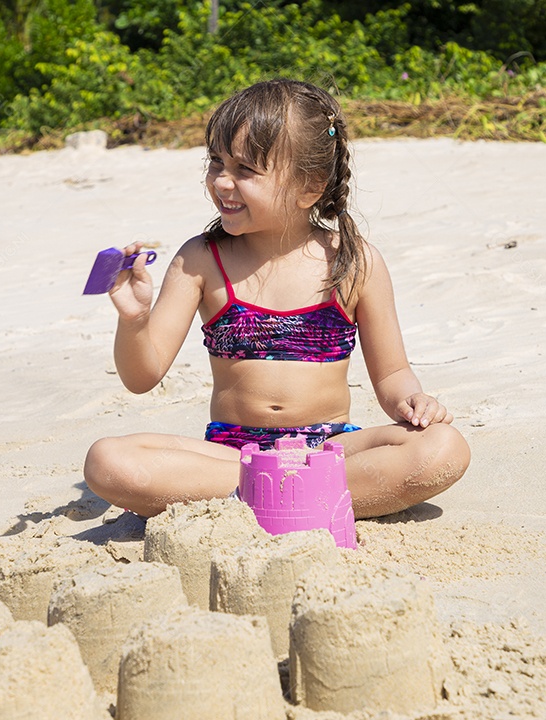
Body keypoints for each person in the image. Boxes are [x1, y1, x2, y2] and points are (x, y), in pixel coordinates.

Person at [84, 79, 469, 519]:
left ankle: (268, 497)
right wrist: (134, 320)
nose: (222, 182)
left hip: (328, 449)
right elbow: (142, 376)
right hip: (234, 458)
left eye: (245, 170)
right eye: (216, 163)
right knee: (107, 461)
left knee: (443, 447)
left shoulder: (354, 262)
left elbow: (393, 373)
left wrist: (411, 401)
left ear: (310, 186)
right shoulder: (201, 260)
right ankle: (307, 497)